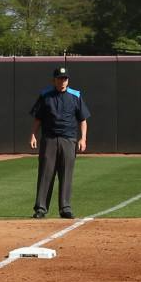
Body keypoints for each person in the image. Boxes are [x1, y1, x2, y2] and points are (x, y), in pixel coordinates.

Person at [29, 65, 89, 220]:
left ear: (68, 80)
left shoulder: (75, 95)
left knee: (66, 174)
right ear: (54, 80)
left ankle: (65, 208)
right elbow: (38, 118)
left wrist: (83, 138)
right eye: (60, 78)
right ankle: (41, 208)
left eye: (65, 78)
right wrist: (33, 135)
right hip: (49, 139)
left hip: (68, 140)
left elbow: (83, 119)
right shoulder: (45, 95)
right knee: (45, 174)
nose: (62, 81)